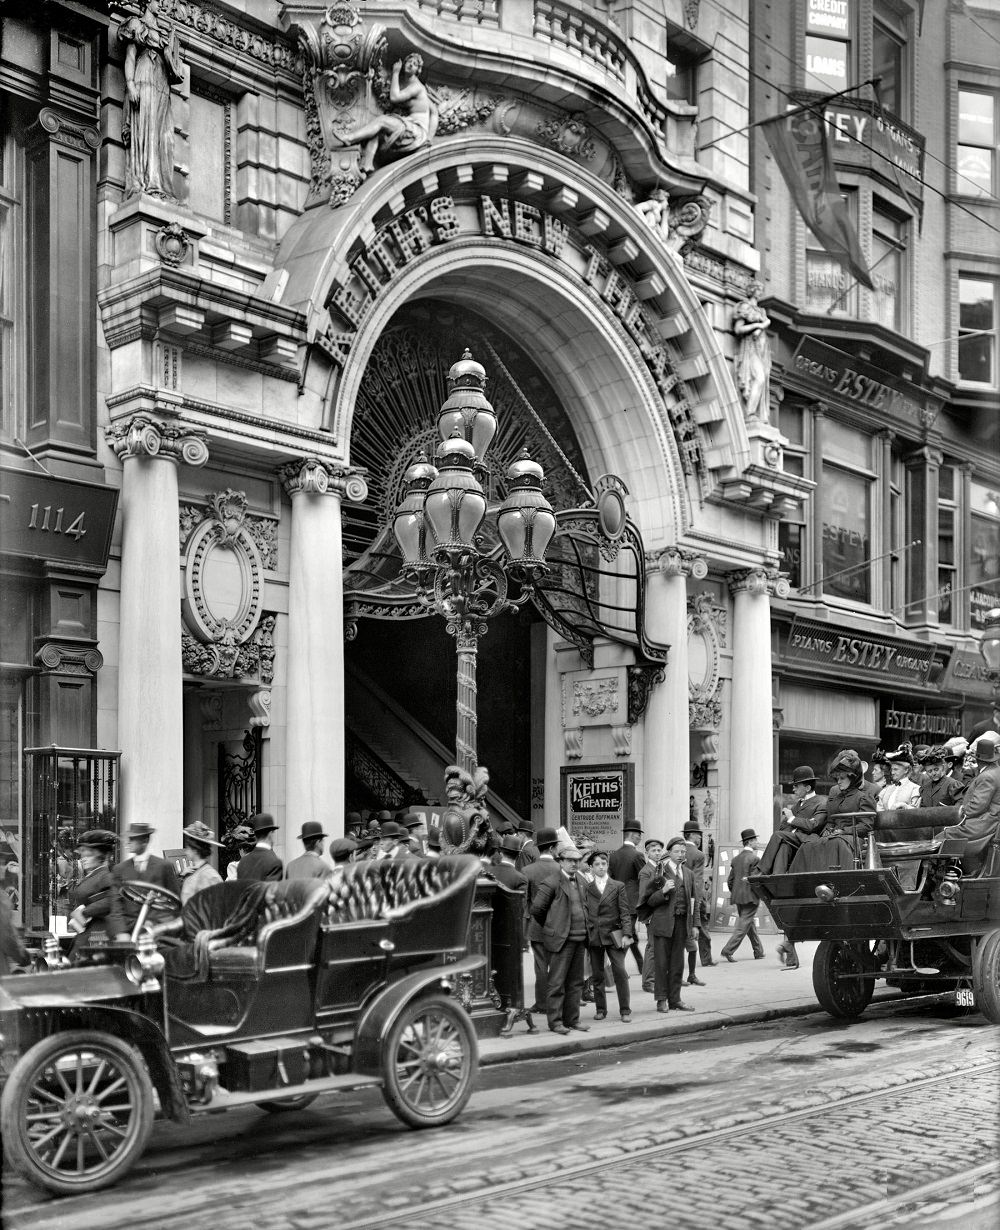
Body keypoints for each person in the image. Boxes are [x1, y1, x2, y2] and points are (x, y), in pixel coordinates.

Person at [118, 0, 184, 198]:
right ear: (147, 2)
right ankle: (146, 181)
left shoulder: (163, 34)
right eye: (158, 1)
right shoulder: (136, 25)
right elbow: (130, 57)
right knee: (146, 129)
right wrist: (130, 84)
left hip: (162, 82)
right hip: (144, 76)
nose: (161, 5)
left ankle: (160, 184)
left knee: (164, 133)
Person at [529, 844, 592, 1035]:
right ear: (561, 862)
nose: (574, 864)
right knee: (556, 983)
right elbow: (537, 910)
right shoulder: (552, 882)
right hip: (561, 940)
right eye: (570, 861)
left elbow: (585, 906)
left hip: (579, 938)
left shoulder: (581, 881)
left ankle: (572, 1020)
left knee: (575, 983)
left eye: (577, 861)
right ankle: (555, 1022)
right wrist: (552, 928)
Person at [346, 53, 436, 174]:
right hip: (412, 127)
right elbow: (434, 111)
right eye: (409, 61)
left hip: (416, 131)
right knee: (377, 131)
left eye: (414, 64)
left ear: (418, 70)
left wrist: (395, 73)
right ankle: (367, 165)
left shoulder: (417, 86)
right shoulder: (416, 89)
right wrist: (429, 137)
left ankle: (350, 138)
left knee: (382, 121)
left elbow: (394, 97)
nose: (410, 65)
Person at [790, 750, 876, 873]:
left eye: (842, 778)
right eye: (837, 778)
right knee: (809, 843)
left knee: (836, 843)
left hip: (853, 838)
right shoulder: (836, 797)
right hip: (835, 836)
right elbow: (830, 820)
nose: (838, 782)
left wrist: (843, 831)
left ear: (852, 778)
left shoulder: (864, 797)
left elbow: (866, 826)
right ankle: (803, 882)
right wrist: (827, 831)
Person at [638, 835, 698, 1013]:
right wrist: (663, 891)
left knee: (677, 963)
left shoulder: (688, 874)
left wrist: (695, 925)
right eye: (677, 851)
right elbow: (647, 901)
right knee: (662, 964)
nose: (680, 855)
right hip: (663, 924)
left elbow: (695, 900)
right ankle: (661, 1000)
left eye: (683, 852)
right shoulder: (659, 873)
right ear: (669, 853)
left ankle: (675, 999)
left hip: (681, 923)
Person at [583, 850, 633, 1022]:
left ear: (608, 865)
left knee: (620, 972)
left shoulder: (617, 886)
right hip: (595, 936)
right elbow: (585, 912)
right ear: (591, 868)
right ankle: (600, 1009)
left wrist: (627, 934)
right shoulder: (587, 888)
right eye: (597, 864)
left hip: (614, 935)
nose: (601, 867)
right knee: (597, 975)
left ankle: (625, 1010)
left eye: (604, 863)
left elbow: (625, 912)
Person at [937, 732, 1000, 863]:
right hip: (989, 821)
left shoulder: (987, 776)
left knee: (941, 837)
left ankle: (947, 873)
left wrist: (959, 813)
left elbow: (976, 807)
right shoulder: (995, 771)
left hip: (985, 823)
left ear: (978, 759)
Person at [756, 766, 828, 876]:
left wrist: (792, 818)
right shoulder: (797, 805)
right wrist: (790, 821)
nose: (793, 789)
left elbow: (813, 825)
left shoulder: (821, 803)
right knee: (784, 844)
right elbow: (783, 827)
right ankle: (777, 876)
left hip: (809, 841)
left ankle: (761, 871)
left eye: (796, 786)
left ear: (807, 788)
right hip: (793, 840)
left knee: (777, 835)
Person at [521, 827, 561, 1014]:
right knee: (558, 966)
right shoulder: (561, 869)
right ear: (553, 848)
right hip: (559, 925)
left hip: (536, 925)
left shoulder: (527, 870)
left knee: (540, 966)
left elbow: (524, 902)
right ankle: (556, 1004)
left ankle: (541, 1003)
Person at [113, 820, 181, 930]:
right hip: (128, 930)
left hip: (156, 930)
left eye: (133, 839)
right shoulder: (120, 869)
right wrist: (121, 933)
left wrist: (161, 925)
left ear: (145, 840)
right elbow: (115, 907)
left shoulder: (164, 866)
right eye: (128, 838)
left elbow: (175, 902)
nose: (128, 842)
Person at [67, 830, 127, 949]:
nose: (83, 859)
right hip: (89, 932)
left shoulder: (105, 876)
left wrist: (84, 912)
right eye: (82, 856)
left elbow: (111, 901)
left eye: (88, 856)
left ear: (101, 856)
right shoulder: (93, 875)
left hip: (99, 934)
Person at [608, 821, 646, 976]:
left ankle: (642, 966)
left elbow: (611, 878)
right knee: (626, 936)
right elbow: (644, 877)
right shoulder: (637, 855)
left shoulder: (614, 855)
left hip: (618, 901)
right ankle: (613, 972)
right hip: (632, 903)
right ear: (633, 834)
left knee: (631, 936)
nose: (640, 838)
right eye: (639, 835)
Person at [721, 830, 765, 962]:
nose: (757, 842)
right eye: (755, 840)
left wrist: (736, 891)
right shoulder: (755, 859)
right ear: (750, 842)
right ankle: (728, 950)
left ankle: (758, 951)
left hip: (738, 897)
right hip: (750, 898)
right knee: (743, 926)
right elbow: (755, 880)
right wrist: (759, 894)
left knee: (748, 924)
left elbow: (730, 881)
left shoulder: (736, 859)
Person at [732, 281, 772, 421]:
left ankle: (755, 413)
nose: (760, 292)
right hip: (751, 347)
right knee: (759, 378)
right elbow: (738, 329)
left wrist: (762, 325)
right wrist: (757, 325)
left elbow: (767, 322)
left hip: (763, 349)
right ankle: (750, 413)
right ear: (753, 290)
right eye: (759, 289)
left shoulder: (761, 311)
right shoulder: (744, 307)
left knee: (763, 379)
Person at [682, 819, 715, 979]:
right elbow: (697, 879)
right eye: (698, 835)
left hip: (680, 896)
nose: (700, 839)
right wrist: (699, 899)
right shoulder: (699, 854)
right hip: (694, 895)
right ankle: (706, 958)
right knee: (703, 925)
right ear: (692, 836)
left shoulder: (679, 851)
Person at [639, 837, 664, 992]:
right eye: (653, 851)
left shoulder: (660, 868)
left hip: (661, 914)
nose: (656, 853)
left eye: (659, 850)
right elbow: (643, 895)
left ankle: (658, 978)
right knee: (652, 948)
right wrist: (648, 917)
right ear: (647, 853)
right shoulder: (646, 871)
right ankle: (648, 982)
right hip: (652, 915)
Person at [180, 821, 224, 904]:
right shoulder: (192, 871)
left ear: (195, 850)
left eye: (188, 848)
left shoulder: (209, 875)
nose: (185, 851)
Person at [236, 813, 283, 881]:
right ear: (270, 834)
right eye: (273, 832)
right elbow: (272, 890)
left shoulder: (243, 861)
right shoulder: (274, 862)